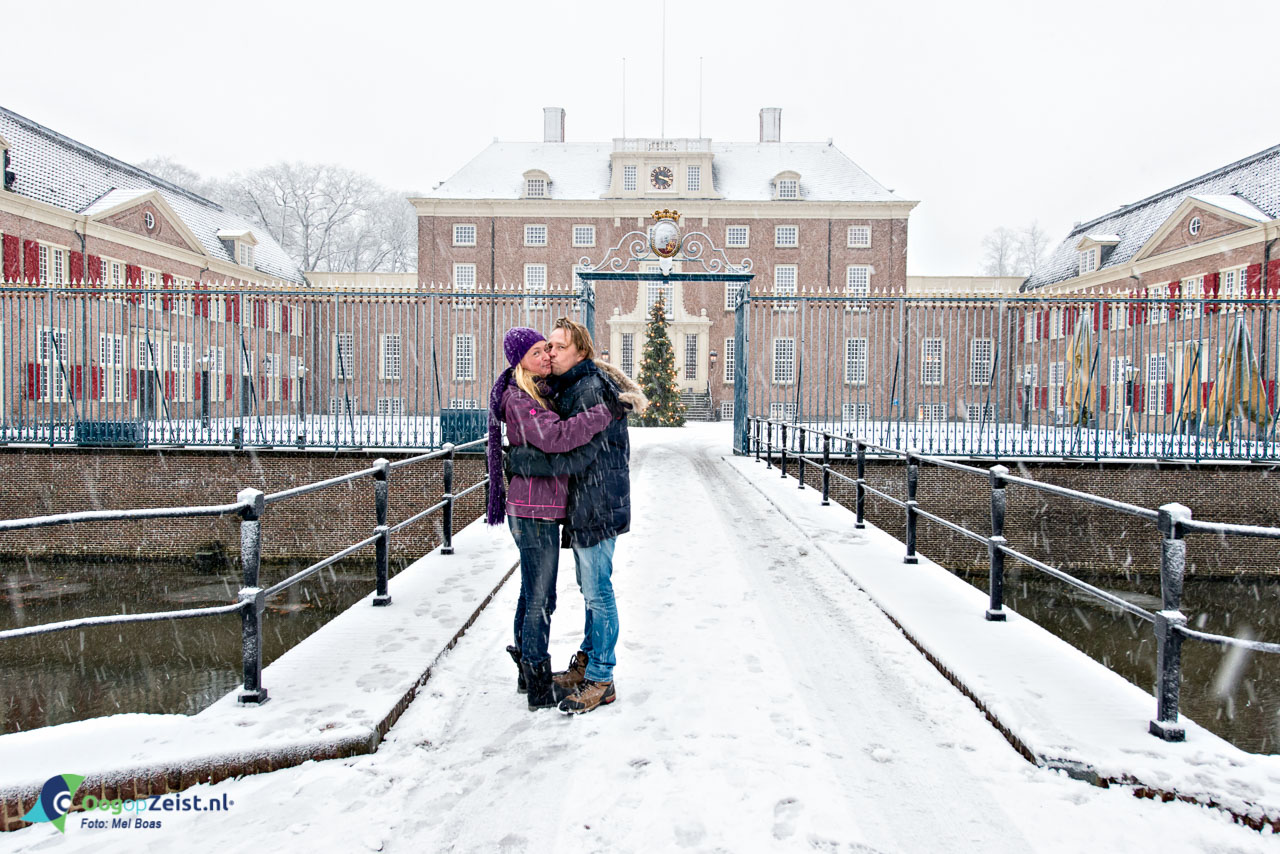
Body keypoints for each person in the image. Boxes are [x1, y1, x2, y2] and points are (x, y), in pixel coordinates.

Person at [506, 317, 647, 715]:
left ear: (581, 352)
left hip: (596, 505)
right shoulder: (575, 386)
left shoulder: (588, 389)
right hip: (590, 503)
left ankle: (602, 678)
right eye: (547, 346)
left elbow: (575, 453)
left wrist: (517, 458)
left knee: (598, 592)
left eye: (559, 347)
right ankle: (589, 660)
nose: (550, 353)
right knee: (590, 590)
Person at [486, 326, 621, 710]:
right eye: (538, 352)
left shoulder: (543, 391)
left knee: (536, 594)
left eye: (551, 348)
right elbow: (557, 438)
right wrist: (601, 415)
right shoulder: (521, 397)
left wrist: (524, 459)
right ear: (520, 363)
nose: (546, 356)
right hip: (534, 511)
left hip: (542, 508)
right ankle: (537, 681)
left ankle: (533, 674)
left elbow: (549, 445)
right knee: (541, 598)